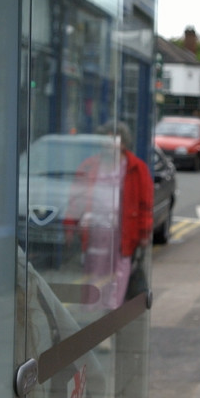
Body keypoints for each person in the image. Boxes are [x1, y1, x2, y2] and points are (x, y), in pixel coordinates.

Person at [65, 122, 153, 310]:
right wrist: (71, 224)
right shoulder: (89, 165)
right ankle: (93, 314)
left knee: (118, 273)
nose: (109, 144)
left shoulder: (137, 168)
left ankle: (111, 314)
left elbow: (145, 204)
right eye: (105, 140)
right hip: (94, 234)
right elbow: (76, 198)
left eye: (114, 140)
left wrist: (144, 233)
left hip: (123, 234)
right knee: (95, 272)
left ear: (123, 143)